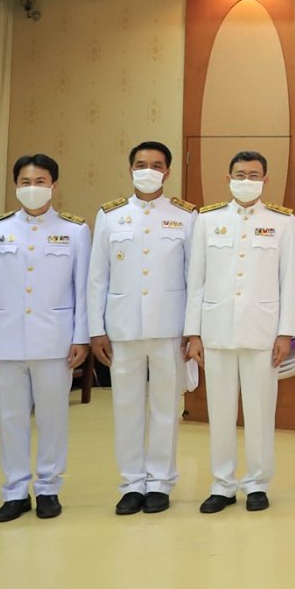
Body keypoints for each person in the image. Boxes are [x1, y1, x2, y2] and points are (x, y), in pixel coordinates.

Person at [0, 154, 90, 522]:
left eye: (40, 181)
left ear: (53, 185)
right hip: (6, 339)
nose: (32, 188)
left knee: (52, 419)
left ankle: (48, 489)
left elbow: (82, 289)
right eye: (25, 182)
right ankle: (14, 491)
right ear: (15, 186)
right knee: (10, 419)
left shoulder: (75, 230)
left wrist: (81, 337)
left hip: (55, 341)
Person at [185, 151, 295, 514]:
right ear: (228, 178)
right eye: (240, 174)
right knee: (219, 411)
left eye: (253, 175)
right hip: (216, 329)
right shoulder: (207, 220)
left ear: (266, 180)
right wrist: (193, 333)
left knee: (261, 411)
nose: (246, 180)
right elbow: (196, 280)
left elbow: (290, 281)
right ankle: (222, 484)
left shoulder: (282, 222)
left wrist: (285, 333)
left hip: (262, 331)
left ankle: (257, 483)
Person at [86, 141, 195, 515]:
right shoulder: (111, 215)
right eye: (141, 164)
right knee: (127, 407)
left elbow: (193, 278)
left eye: (157, 165)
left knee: (166, 407)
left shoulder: (185, 216)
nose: (148, 170)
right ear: (130, 169)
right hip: (123, 327)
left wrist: (192, 329)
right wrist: (96, 330)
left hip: (170, 328)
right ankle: (132, 483)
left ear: (168, 172)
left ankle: (160, 482)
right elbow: (97, 277)